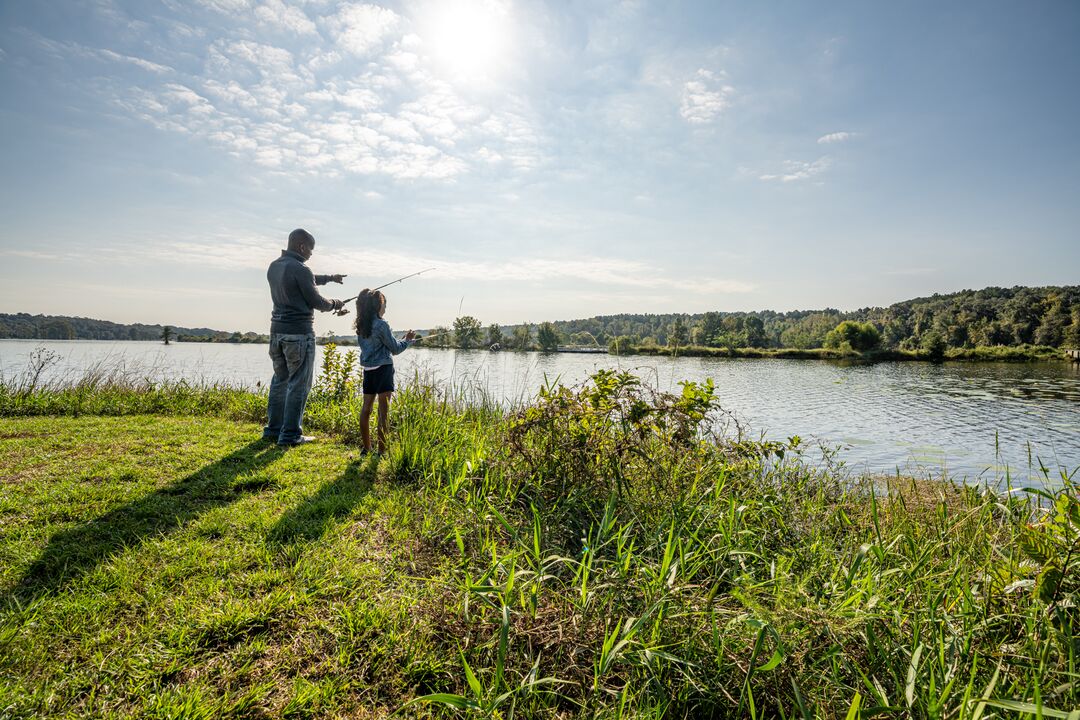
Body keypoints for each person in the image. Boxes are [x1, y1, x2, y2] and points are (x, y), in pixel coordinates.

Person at [263, 228, 346, 446]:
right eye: (310, 249)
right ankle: (290, 435)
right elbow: (317, 302)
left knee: (280, 381)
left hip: (276, 333)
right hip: (299, 335)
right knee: (299, 384)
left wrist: (329, 278)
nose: (311, 254)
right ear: (301, 246)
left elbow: (304, 280)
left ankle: (273, 430)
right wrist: (336, 304)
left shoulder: (275, 266)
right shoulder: (301, 269)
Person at [355, 288, 415, 454]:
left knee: (366, 409)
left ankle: (366, 448)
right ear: (377, 306)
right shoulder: (382, 324)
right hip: (383, 370)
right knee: (383, 412)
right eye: (384, 304)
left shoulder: (361, 325)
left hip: (368, 371)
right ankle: (381, 452)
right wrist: (408, 341)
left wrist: (402, 340)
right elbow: (394, 349)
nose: (385, 308)